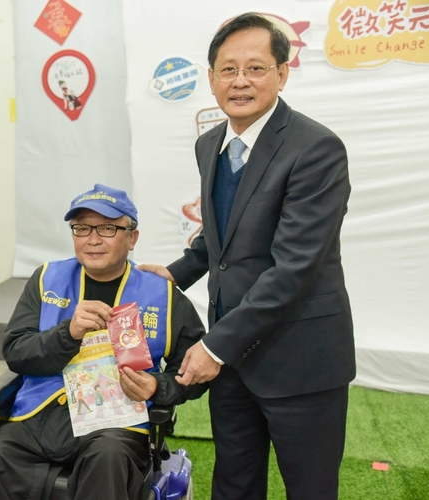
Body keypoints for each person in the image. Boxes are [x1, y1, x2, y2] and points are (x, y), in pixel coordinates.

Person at [140, 13, 355, 500]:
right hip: (234, 359)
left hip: (300, 357)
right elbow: (225, 234)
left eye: (256, 68)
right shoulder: (210, 144)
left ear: (282, 73)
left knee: (310, 488)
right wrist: (175, 273)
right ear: (211, 77)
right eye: (228, 69)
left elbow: (294, 268)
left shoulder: (316, 149)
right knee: (234, 483)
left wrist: (214, 347)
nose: (240, 81)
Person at [0, 184, 206, 500]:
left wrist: (157, 387)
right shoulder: (46, 280)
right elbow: (15, 351)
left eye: (107, 228)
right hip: (40, 414)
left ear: (132, 238)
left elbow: (195, 371)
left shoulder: (162, 294)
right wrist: (67, 334)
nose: (92, 239)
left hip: (116, 422)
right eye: (81, 228)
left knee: (107, 458)